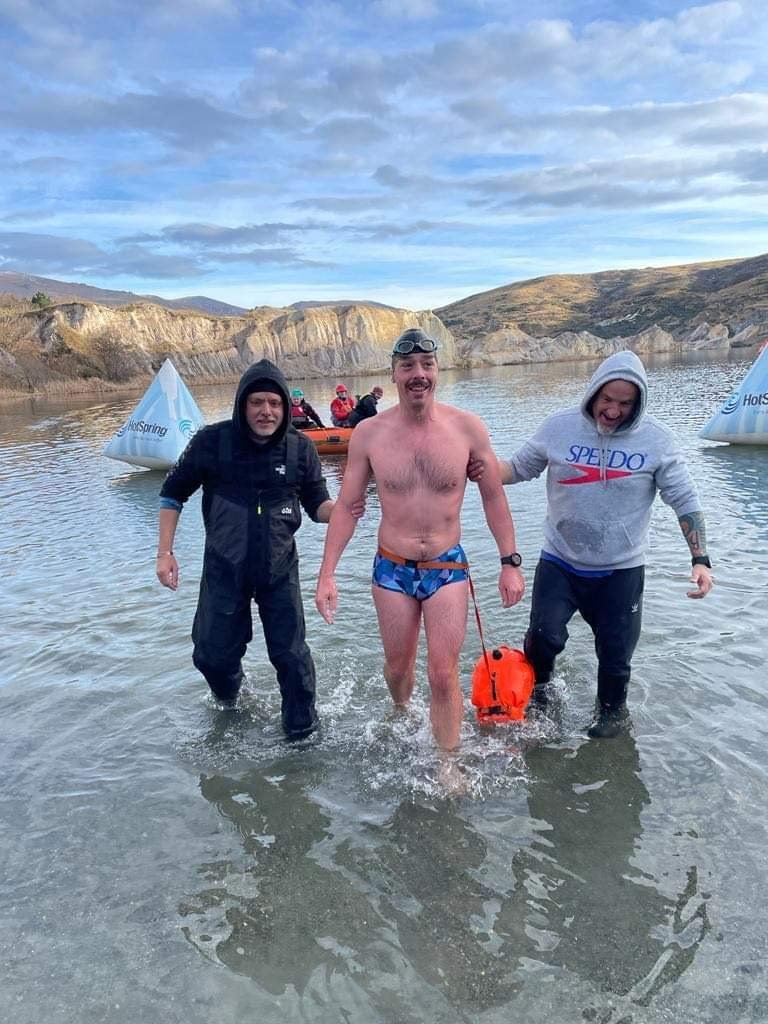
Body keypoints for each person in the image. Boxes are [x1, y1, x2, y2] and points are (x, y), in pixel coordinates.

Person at [472, 350, 713, 739]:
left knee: (615, 659)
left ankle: (612, 717)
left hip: (621, 570)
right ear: (593, 393)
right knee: (542, 640)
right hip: (560, 561)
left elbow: (684, 500)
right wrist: (478, 465)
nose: (613, 410)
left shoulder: (658, 441)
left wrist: (700, 559)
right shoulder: (559, 427)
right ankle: (542, 697)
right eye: (607, 399)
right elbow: (517, 468)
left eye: (624, 403)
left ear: (637, 404)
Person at [315, 328, 525, 750]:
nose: (418, 374)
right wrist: (327, 574)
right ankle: (402, 710)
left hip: (447, 567)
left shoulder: (467, 429)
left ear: (437, 371)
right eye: (408, 366)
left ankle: (447, 763)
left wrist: (509, 562)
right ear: (393, 374)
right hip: (392, 567)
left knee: (443, 673)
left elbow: (493, 497)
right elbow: (348, 507)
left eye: (427, 366)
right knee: (397, 668)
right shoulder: (370, 434)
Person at [156, 359, 339, 740]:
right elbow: (173, 493)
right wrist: (165, 552)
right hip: (224, 567)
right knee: (210, 654)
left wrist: (346, 509)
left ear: (286, 407)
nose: (266, 411)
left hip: (279, 569)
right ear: (242, 404)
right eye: (257, 402)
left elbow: (318, 506)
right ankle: (230, 699)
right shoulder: (212, 441)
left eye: (274, 403)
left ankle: (302, 735)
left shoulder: (301, 450)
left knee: (292, 658)